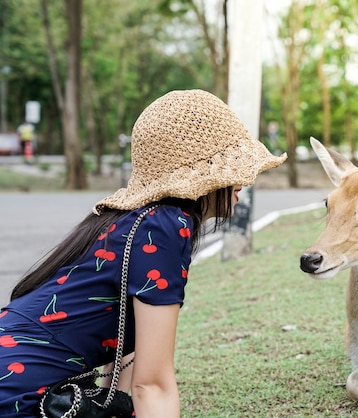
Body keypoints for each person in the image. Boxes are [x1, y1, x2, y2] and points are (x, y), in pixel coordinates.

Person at [0, 89, 287, 417]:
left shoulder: (132, 218)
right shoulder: (164, 227)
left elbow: (124, 359)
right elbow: (152, 386)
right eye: (232, 166)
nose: (244, 180)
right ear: (204, 175)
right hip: (19, 395)